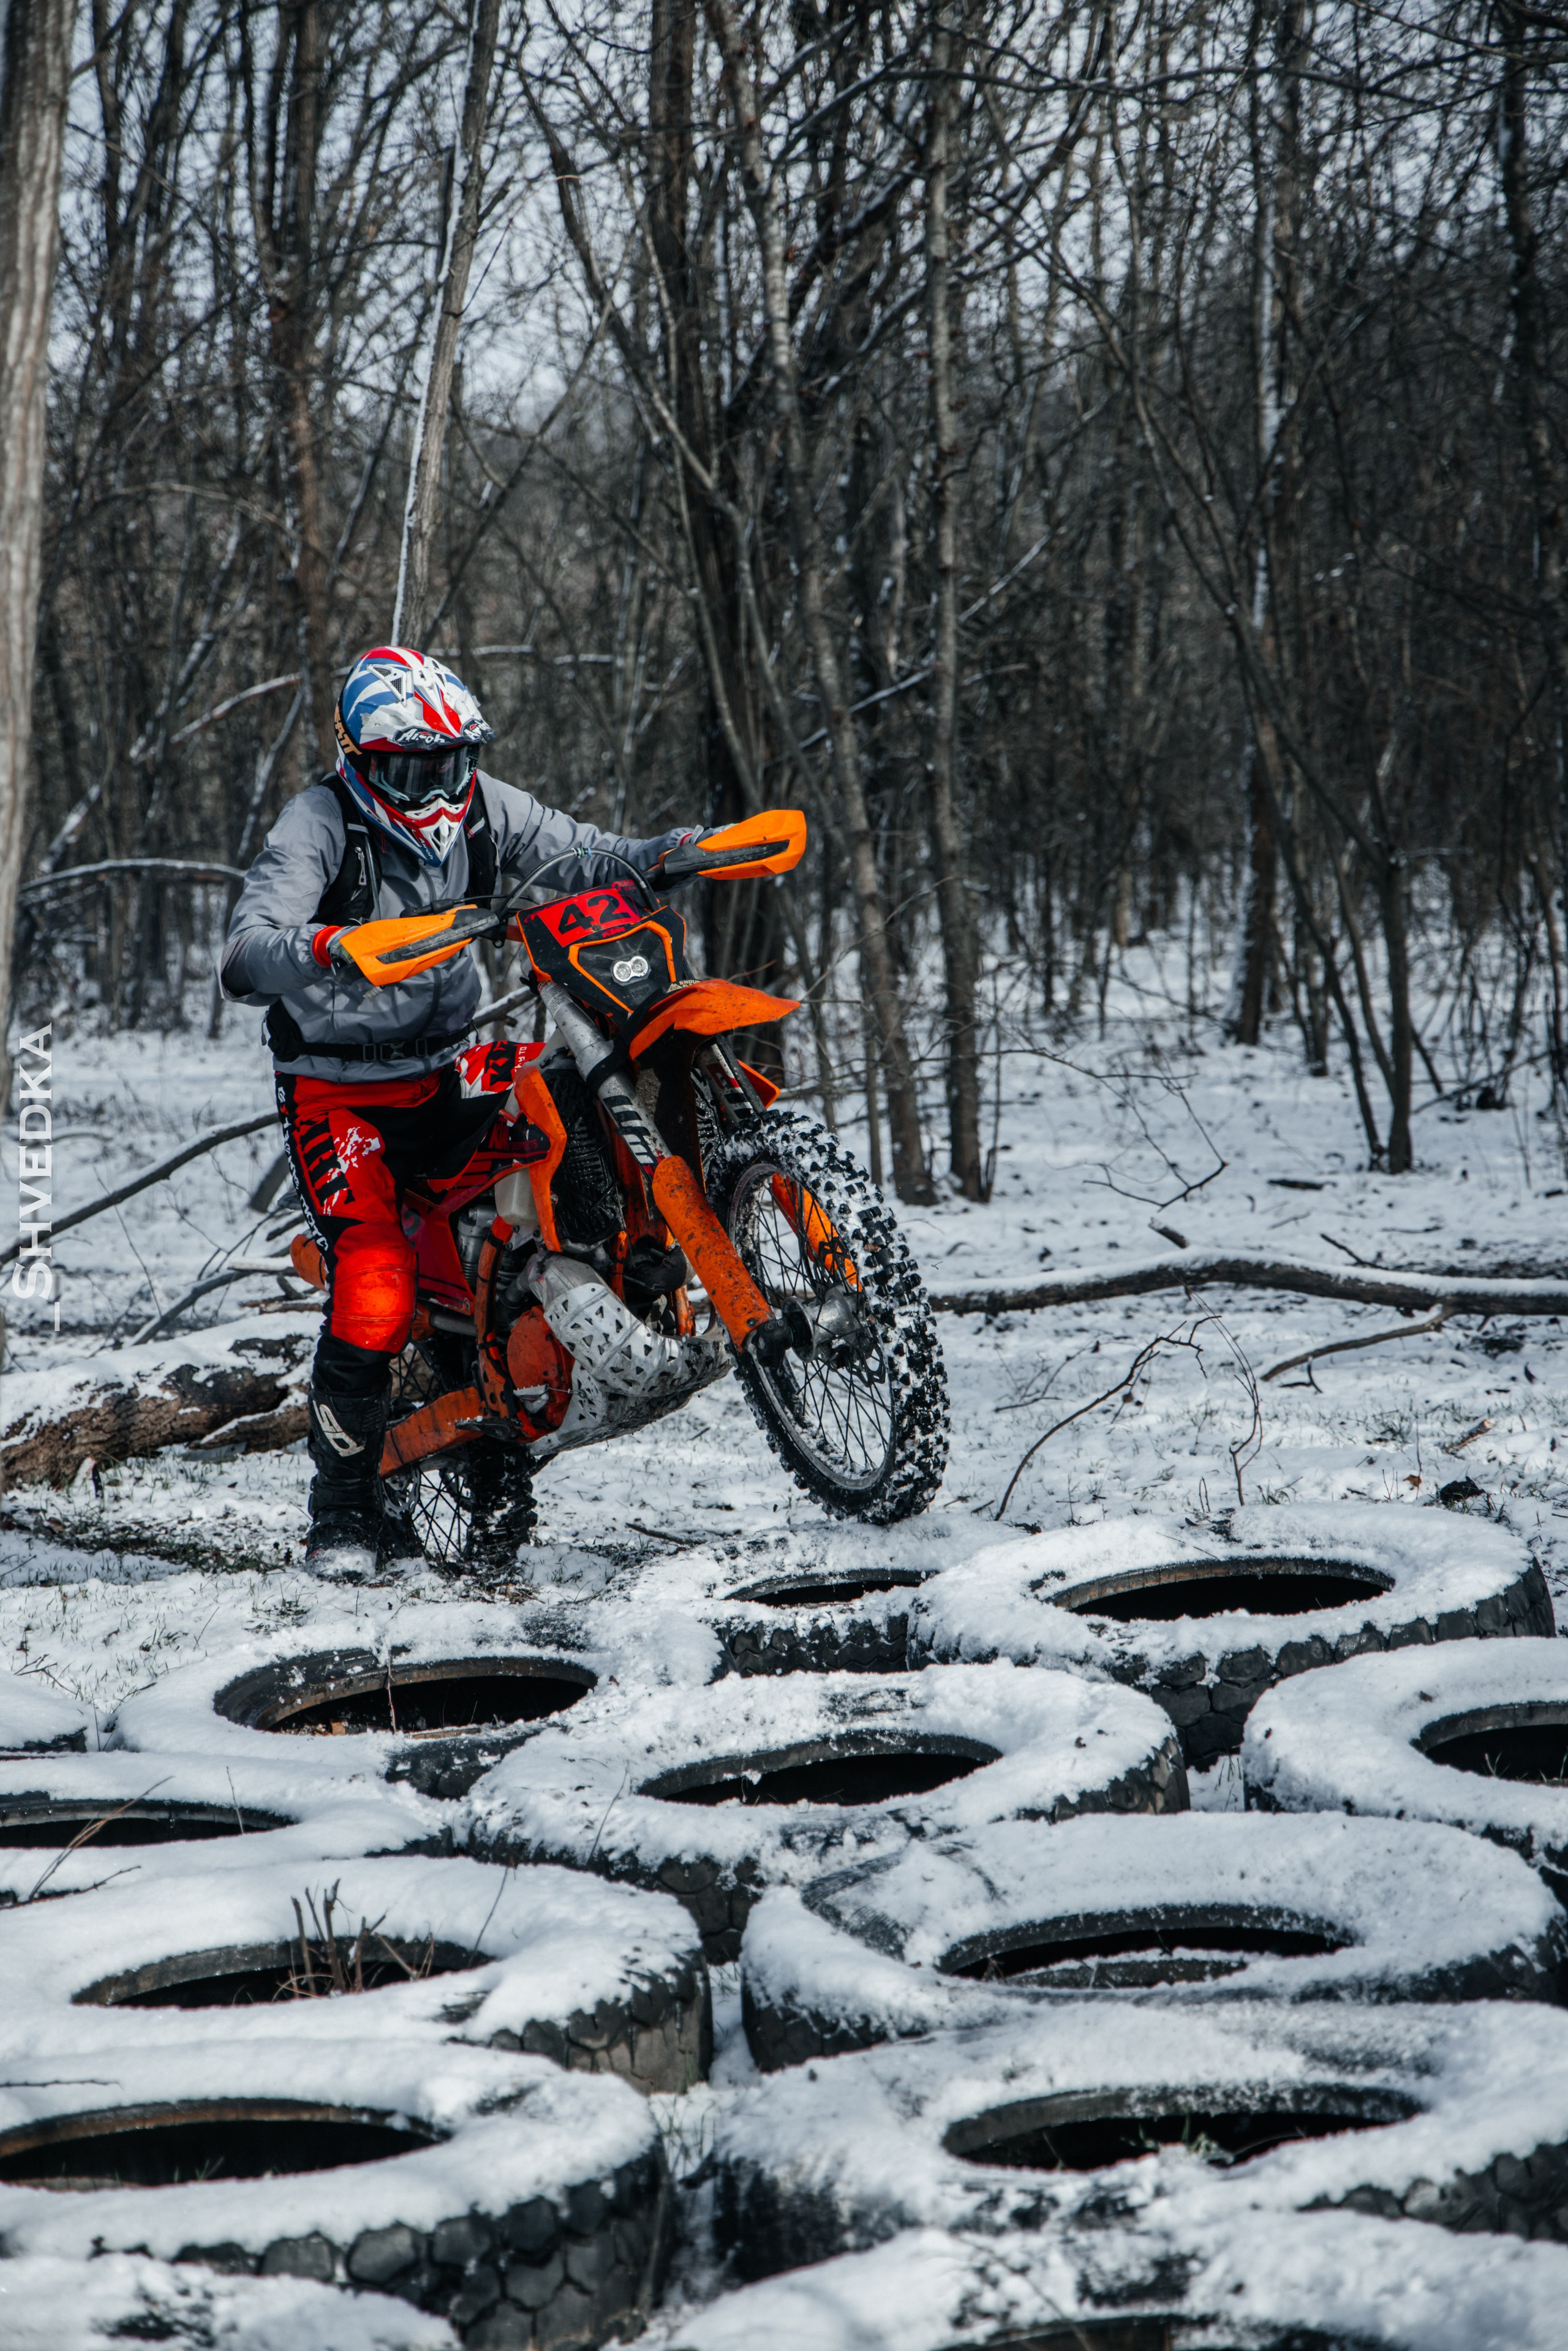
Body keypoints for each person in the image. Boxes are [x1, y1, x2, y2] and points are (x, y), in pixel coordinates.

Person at [222, 643, 710, 1576]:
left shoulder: (483, 806)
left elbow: (581, 853)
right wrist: (329, 947)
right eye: (415, 769)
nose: (439, 788)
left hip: (446, 1066)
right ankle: (341, 1514)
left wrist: (660, 855)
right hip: (338, 1095)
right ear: (364, 762)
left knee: (564, 1103)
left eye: (453, 763)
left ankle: (592, 1303)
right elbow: (244, 954)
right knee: (375, 1278)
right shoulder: (317, 823)